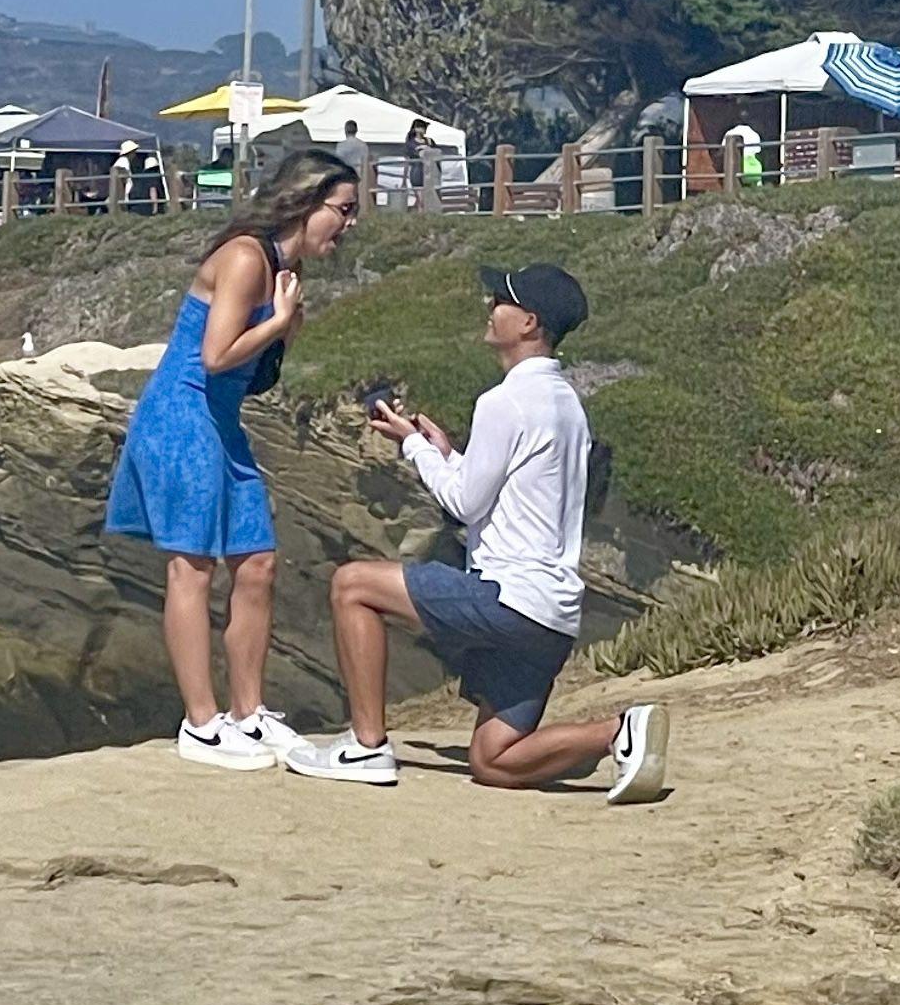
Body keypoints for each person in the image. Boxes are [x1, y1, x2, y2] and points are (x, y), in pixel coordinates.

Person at [283, 260, 674, 803]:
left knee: (351, 585)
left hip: (508, 600)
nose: (490, 307)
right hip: (553, 616)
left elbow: (465, 504)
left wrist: (415, 449)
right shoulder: (567, 405)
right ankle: (618, 732)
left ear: (528, 322)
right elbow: (507, 490)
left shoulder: (504, 401)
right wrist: (447, 453)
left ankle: (366, 745)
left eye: (501, 300)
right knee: (494, 760)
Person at [101, 149, 362, 767]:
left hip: (219, 418)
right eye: (344, 211)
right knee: (192, 567)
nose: (349, 226)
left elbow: (248, 375)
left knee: (258, 563)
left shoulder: (280, 269)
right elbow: (216, 356)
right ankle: (200, 723)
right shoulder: (247, 257)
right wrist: (281, 323)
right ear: (306, 202)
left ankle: (249, 713)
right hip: (181, 416)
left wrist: (283, 327)